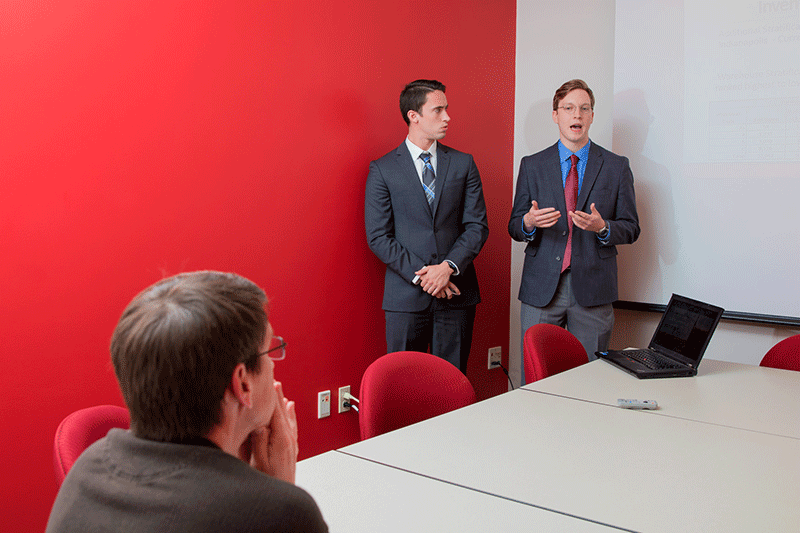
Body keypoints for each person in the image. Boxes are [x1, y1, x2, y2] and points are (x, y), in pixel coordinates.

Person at [46, 271, 328, 533]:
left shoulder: (86, 472)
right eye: (270, 351)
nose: (273, 366)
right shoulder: (279, 513)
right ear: (242, 383)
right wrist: (276, 493)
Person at [508, 79, 640, 384]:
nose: (576, 116)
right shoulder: (532, 165)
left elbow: (632, 228)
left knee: (590, 382)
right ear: (556, 115)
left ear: (592, 116)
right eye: (568, 108)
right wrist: (528, 222)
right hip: (541, 289)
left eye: (584, 109)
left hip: (593, 289)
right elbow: (515, 225)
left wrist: (603, 227)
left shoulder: (616, 166)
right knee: (537, 380)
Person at [365, 79, 489, 375]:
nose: (447, 117)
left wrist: (447, 267)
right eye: (438, 110)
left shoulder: (464, 163)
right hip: (406, 299)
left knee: (454, 383)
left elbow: (477, 226)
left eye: (446, 109)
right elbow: (379, 237)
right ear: (414, 116)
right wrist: (427, 277)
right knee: (403, 385)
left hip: (457, 292)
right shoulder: (383, 169)